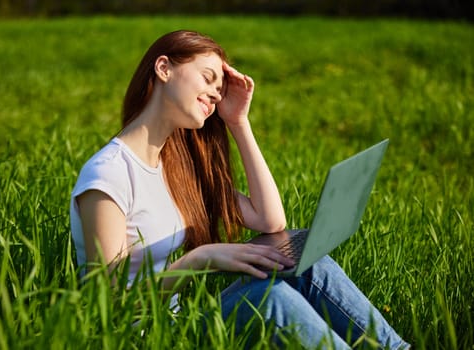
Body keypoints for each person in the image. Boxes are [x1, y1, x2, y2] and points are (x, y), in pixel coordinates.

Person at [70, 30, 410, 349]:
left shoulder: (174, 169)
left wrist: (238, 122)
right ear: (164, 69)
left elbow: (270, 221)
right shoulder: (109, 174)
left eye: (220, 89)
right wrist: (199, 259)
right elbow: (109, 300)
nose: (217, 94)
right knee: (270, 297)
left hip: (177, 326)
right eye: (208, 78)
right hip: (144, 340)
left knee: (310, 264)